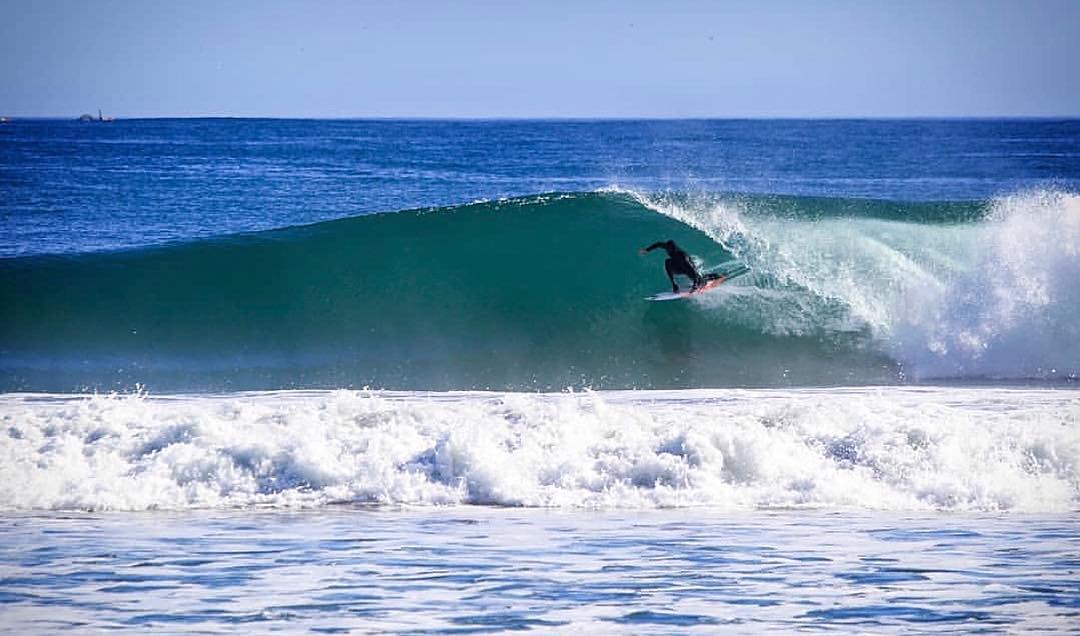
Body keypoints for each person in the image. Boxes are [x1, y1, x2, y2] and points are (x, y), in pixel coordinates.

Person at [639, 239, 705, 293]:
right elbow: (658, 244)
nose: (668, 251)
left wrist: (695, 285)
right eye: (667, 249)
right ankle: (675, 284)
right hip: (678, 267)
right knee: (667, 262)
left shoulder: (682, 256)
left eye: (670, 250)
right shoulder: (667, 246)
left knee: (699, 280)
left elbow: (692, 269)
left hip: (687, 268)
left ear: (674, 249)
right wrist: (647, 250)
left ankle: (706, 278)